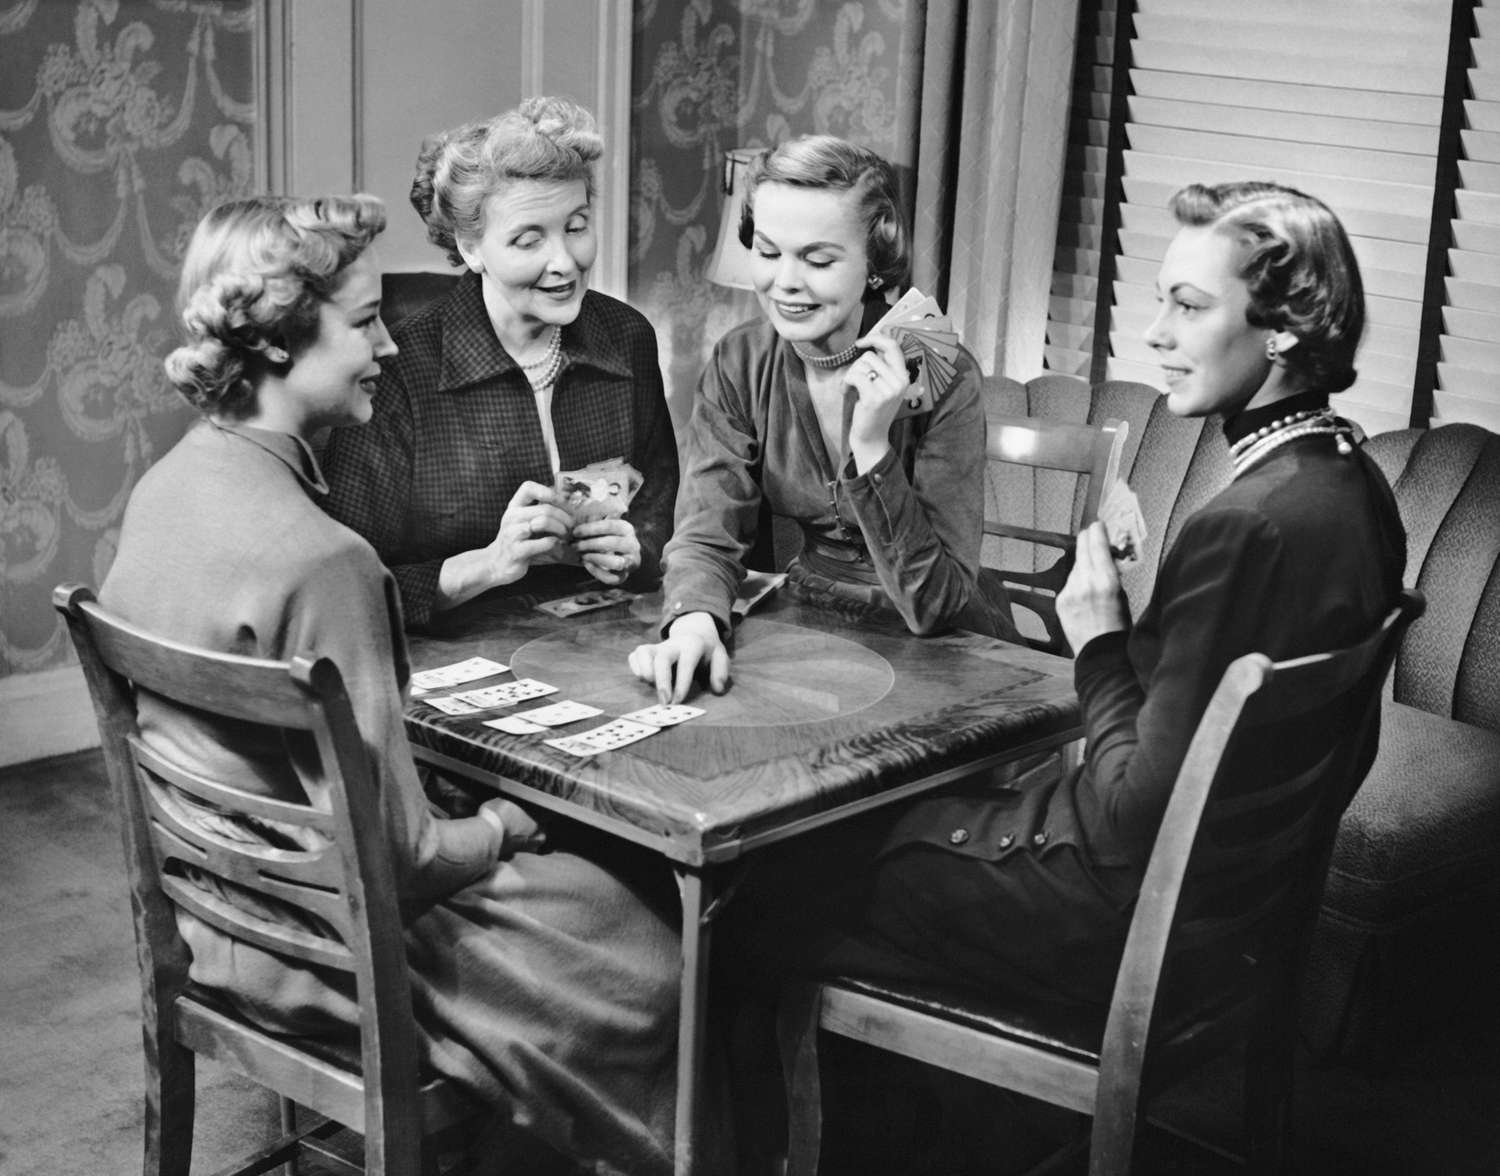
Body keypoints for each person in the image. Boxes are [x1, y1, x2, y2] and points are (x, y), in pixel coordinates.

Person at [721, 180, 1408, 1171]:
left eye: (1190, 305)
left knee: (773, 878)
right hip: (1233, 927)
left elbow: (1128, 823)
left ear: (1290, 330)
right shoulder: (1350, 485)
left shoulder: (1244, 526)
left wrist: (1096, 640)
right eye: (1160, 298)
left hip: (1109, 921)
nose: (1157, 333)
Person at [101, 195, 678, 1175]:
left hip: (216, 917)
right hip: (333, 954)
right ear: (281, 344)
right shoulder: (326, 561)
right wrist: (505, 824)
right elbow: (408, 866)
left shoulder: (162, 491)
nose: (391, 350)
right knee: (652, 945)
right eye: (363, 323)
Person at [628, 134, 1014, 705]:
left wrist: (872, 445)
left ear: (875, 265)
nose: (785, 281)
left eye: (818, 259)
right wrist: (693, 622)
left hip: (943, 649)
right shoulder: (741, 360)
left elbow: (936, 604)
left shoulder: (943, 371)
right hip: (808, 622)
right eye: (767, 251)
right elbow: (708, 532)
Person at [320, 97, 678, 631]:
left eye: (576, 226)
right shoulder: (397, 368)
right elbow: (347, 588)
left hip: (602, 637)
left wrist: (637, 549)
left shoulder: (627, 337)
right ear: (471, 248)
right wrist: (486, 565)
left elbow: (663, 511)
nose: (565, 262)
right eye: (528, 239)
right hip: (451, 652)